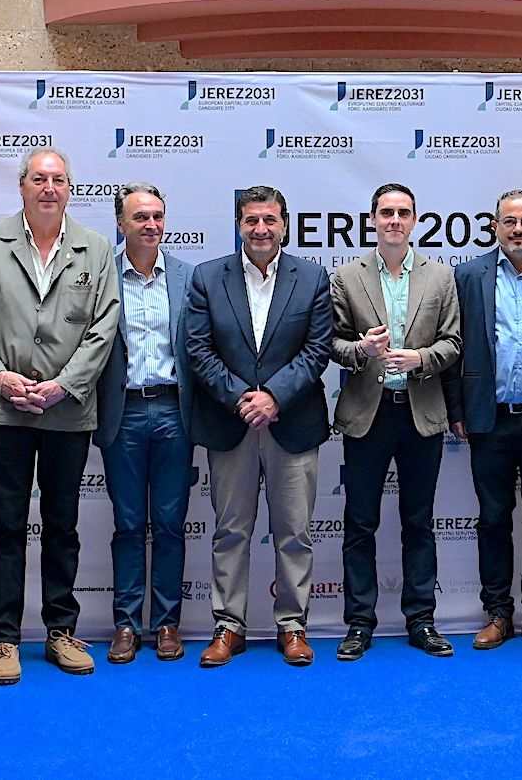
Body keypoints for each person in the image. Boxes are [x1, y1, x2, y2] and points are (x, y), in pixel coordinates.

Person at [0, 148, 120, 685]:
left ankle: (60, 630)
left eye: (58, 180)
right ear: (22, 186)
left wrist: (63, 386)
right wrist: (1, 376)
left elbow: (103, 327)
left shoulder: (95, 249)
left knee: (62, 525)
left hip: (67, 413)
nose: (48, 187)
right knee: (5, 526)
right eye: (38, 179)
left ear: (70, 189)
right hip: (4, 410)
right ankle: (4, 637)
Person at [185, 185, 333, 668]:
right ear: (239, 225)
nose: (261, 229)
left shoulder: (312, 278)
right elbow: (198, 350)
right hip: (231, 424)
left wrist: (274, 397)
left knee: (294, 532)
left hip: (292, 423)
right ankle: (229, 626)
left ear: (285, 225)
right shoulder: (208, 277)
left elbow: (317, 349)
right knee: (231, 531)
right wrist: (241, 399)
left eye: (270, 220)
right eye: (251, 221)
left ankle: (293, 625)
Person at [329, 183, 462, 660]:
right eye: (386, 212)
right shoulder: (346, 276)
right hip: (369, 414)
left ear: (415, 220)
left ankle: (421, 619)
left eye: (403, 213)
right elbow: (332, 344)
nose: (394, 221)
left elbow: (453, 344)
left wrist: (421, 358)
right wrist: (363, 350)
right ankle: (359, 623)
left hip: (421, 414)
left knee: (418, 522)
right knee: (360, 523)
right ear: (372, 220)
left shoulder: (440, 278)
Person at [442, 189, 522, 650]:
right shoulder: (469, 275)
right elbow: (454, 347)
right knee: (493, 518)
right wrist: (457, 410)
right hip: (488, 419)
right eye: (510, 221)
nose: (519, 229)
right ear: (495, 226)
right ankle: (497, 612)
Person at [94, 183, 195, 664]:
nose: (150, 225)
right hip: (124, 411)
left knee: (171, 525)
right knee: (129, 524)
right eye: (140, 217)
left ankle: (168, 622)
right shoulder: (99, 275)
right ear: (121, 223)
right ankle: (127, 624)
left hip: (175, 411)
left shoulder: (187, 276)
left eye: (157, 216)